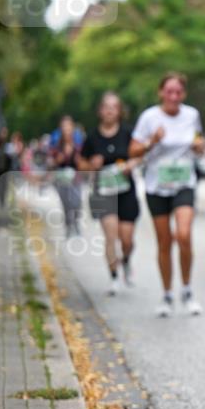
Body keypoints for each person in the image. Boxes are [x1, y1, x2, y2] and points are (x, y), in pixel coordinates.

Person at [129, 72, 205, 317]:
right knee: (164, 242)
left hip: (184, 183)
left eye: (178, 92)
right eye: (169, 91)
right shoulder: (149, 117)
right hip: (156, 186)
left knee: (183, 235)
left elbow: (199, 143)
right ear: (161, 92)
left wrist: (199, 146)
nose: (173, 96)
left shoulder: (192, 115)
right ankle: (167, 294)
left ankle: (187, 290)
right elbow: (133, 150)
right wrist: (152, 141)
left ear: (184, 94)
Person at [78, 92, 141, 295]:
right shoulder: (92, 137)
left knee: (127, 239)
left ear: (119, 111)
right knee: (110, 236)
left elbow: (139, 155)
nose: (110, 110)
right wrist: (91, 165)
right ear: (100, 111)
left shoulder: (128, 133)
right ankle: (113, 277)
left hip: (125, 190)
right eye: (106, 106)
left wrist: (131, 165)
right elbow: (81, 164)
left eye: (114, 107)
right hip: (104, 192)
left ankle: (126, 260)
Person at [48, 116, 84, 236]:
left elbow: (84, 161)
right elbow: (51, 162)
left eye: (68, 126)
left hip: (76, 178)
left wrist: (79, 160)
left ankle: (76, 222)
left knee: (76, 202)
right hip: (61, 178)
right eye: (64, 126)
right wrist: (58, 159)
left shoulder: (78, 143)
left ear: (72, 127)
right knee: (66, 203)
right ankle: (68, 226)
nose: (66, 129)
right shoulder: (56, 144)